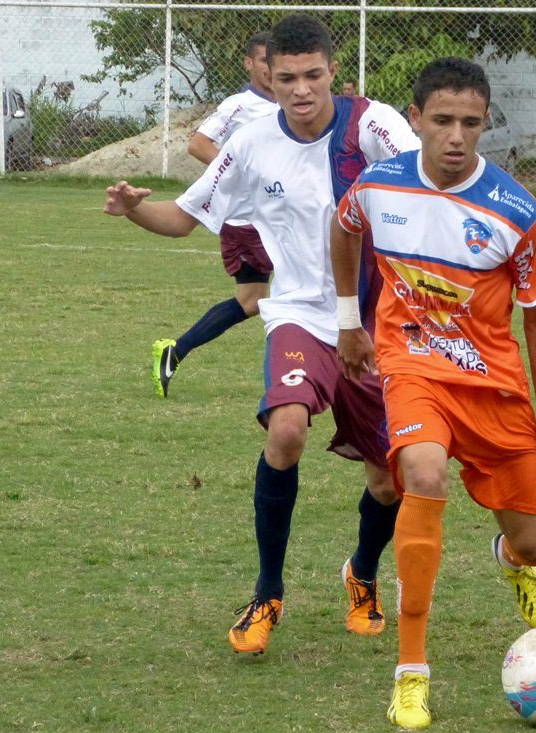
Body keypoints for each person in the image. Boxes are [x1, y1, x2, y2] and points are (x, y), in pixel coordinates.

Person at [104, 13, 422, 653]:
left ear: (333, 71)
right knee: (286, 429)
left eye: (312, 76)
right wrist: (136, 207)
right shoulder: (249, 144)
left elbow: (427, 192)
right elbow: (184, 217)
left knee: (389, 481)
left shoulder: (375, 126)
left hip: (380, 317)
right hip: (301, 313)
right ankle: (267, 591)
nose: (300, 90)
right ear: (266, 78)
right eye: (286, 78)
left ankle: (361, 573)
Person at [331, 57, 536, 729]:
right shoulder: (378, 186)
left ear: (485, 124)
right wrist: (350, 321)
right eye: (442, 121)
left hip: (494, 390)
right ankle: (412, 671)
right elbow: (344, 228)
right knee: (423, 470)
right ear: (415, 121)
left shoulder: (517, 212)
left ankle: (512, 561)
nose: (457, 136)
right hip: (412, 371)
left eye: (471, 123)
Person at [152, 32, 279, 399]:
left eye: (276, 63)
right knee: (256, 299)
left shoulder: (290, 105)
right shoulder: (239, 105)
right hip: (245, 222)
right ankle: (177, 350)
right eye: (263, 62)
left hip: (280, 216)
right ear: (249, 64)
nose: (270, 70)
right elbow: (198, 143)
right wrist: (237, 169)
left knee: (282, 295)